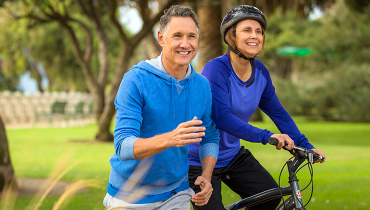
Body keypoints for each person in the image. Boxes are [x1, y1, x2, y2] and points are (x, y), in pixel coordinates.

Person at [188, 5, 326, 210]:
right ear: (231, 37)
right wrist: (267, 136)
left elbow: (277, 112)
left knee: (270, 197)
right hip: (198, 160)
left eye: (259, 31)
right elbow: (222, 118)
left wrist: (305, 146)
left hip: (232, 157)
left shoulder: (260, 72)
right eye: (247, 30)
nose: (255, 36)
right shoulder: (216, 69)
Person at [103, 5, 220, 210]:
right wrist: (170, 139)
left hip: (177, 193)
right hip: (128, 196)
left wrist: (206, 175)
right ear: (161, 38)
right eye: (177, 36)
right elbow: (123, 146)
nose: (185, 44)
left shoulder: (202, 86)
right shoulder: (136, 79)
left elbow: (209, 136)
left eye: (191, 36)